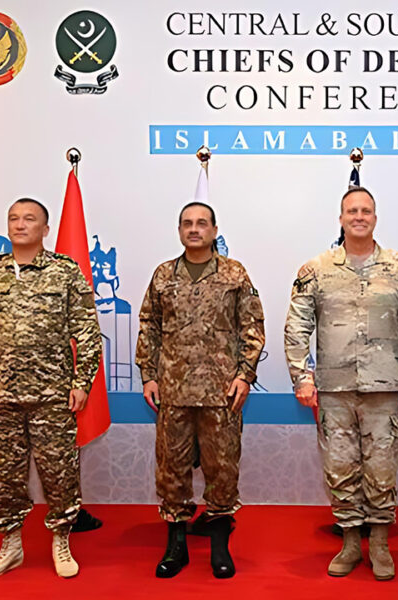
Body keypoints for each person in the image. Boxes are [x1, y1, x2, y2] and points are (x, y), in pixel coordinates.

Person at [284, 186, 398, 581]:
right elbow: (297, 327)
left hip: (383, 389)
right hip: (333, 390)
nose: (359, 217)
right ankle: (351, 542)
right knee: (339, 467)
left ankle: (380, 543)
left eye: (366, 211)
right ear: (340, 219)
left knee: (382, 469)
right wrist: (302, 377)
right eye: (352, 211)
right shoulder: (316, 270)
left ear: (375, 218)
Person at [0, 198, 102, 579]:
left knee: (59, 473)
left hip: (52, 395)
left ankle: (61, 541)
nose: (20, 225)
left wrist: (82, 383)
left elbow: (88, 333)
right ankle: (11, 545)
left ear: (45, 228)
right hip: (2, 395)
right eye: (13, 218)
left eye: (29, 219)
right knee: (5, 476)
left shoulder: (64, 271)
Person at [136, 201, 265, 579]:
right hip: (173, 391)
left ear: (214, 230)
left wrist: (245, 375)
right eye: (187, 223)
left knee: (222, 469)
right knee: (172, 470)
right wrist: (148, 375)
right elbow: (149, 326)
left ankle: (220, 545)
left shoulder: (234, 273)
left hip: (222, 393)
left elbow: (252, 326)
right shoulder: (163, 275)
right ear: (180, 230)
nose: (194, 229)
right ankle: (176, 545)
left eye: (202, 223)